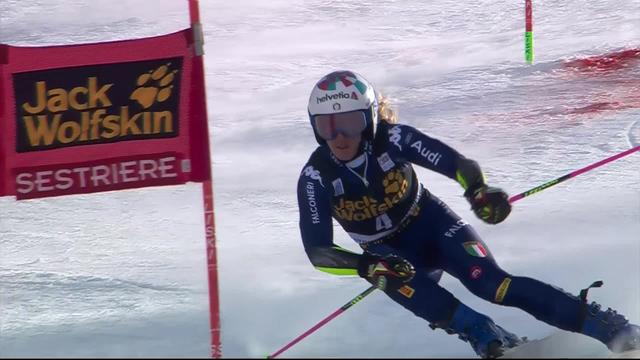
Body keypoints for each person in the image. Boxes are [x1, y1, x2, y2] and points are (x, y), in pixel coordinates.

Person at [296, 70, 640, 358]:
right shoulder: (315, 177)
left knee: (492, 284)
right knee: (401, 282)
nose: (339, 137)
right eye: (327, 127)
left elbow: (455, 163)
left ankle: (608, 327)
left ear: (369, 119)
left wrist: (477, 190)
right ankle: (492, 340)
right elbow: (319, 253)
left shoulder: (394, 139)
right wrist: (364, 265)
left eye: (349, 123)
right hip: (388, 252)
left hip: (432, 224)